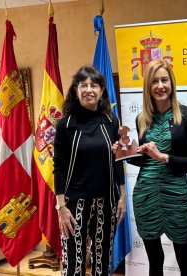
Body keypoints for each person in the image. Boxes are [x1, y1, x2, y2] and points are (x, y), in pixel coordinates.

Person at [114, 59, 187, 276]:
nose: (160, 86)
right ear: (148, 87)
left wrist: (163, 157)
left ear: (171, 83)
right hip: (146, 195)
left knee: (184, 258)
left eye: (164, 80)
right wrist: (124, 153)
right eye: (154, 81)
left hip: (176, 194)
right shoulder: (141, 118)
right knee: (154, 260)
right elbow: (145, 160)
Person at [53, 65, 126, 276]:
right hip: (74, 204)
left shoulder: (111, 121)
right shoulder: (65, 125)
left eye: (94, 85)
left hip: (107, 202)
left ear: (102, 90)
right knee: (74, 263)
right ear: (76, 90)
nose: (89, 90)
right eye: (83, 85)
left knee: (102, 260)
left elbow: (118, 160)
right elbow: (58, 166)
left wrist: (121, 196)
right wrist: (61, 207)